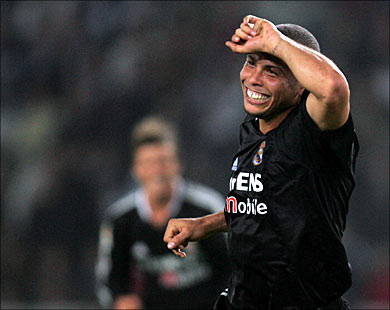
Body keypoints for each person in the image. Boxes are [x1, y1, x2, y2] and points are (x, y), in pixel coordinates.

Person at [164, 15, 359, 310]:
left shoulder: (314, 132)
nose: (253, 77)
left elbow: (333, 88)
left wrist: (277, 42)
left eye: (272, 71)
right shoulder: (253, 127)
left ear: (301, 86)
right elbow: (268, 206)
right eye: (251, 62)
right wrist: (204, 225)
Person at [95, 116, 230, 309]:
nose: (157, 170)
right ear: (136, 169)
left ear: (178, 165)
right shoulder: (121, 219)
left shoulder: (207, 209)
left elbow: (234, 267)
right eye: (149, 163)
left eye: (164, 161)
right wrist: (121, 300)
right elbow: (109, 278)